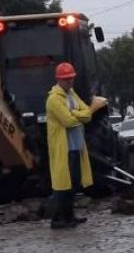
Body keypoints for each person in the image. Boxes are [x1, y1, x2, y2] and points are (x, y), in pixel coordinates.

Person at [45, 62, 106, 229]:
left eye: (71, 78)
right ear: (59, 80)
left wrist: (77, 114)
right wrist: (80, 114)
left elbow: (87, 115)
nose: (69, 82)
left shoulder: (71, 94)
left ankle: (69, 216)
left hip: (76, 145)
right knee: (63, 184)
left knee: (74, 183)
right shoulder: (53, 100)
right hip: (63, 147)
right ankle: (58, 219)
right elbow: (69, 121)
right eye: (66, 79)